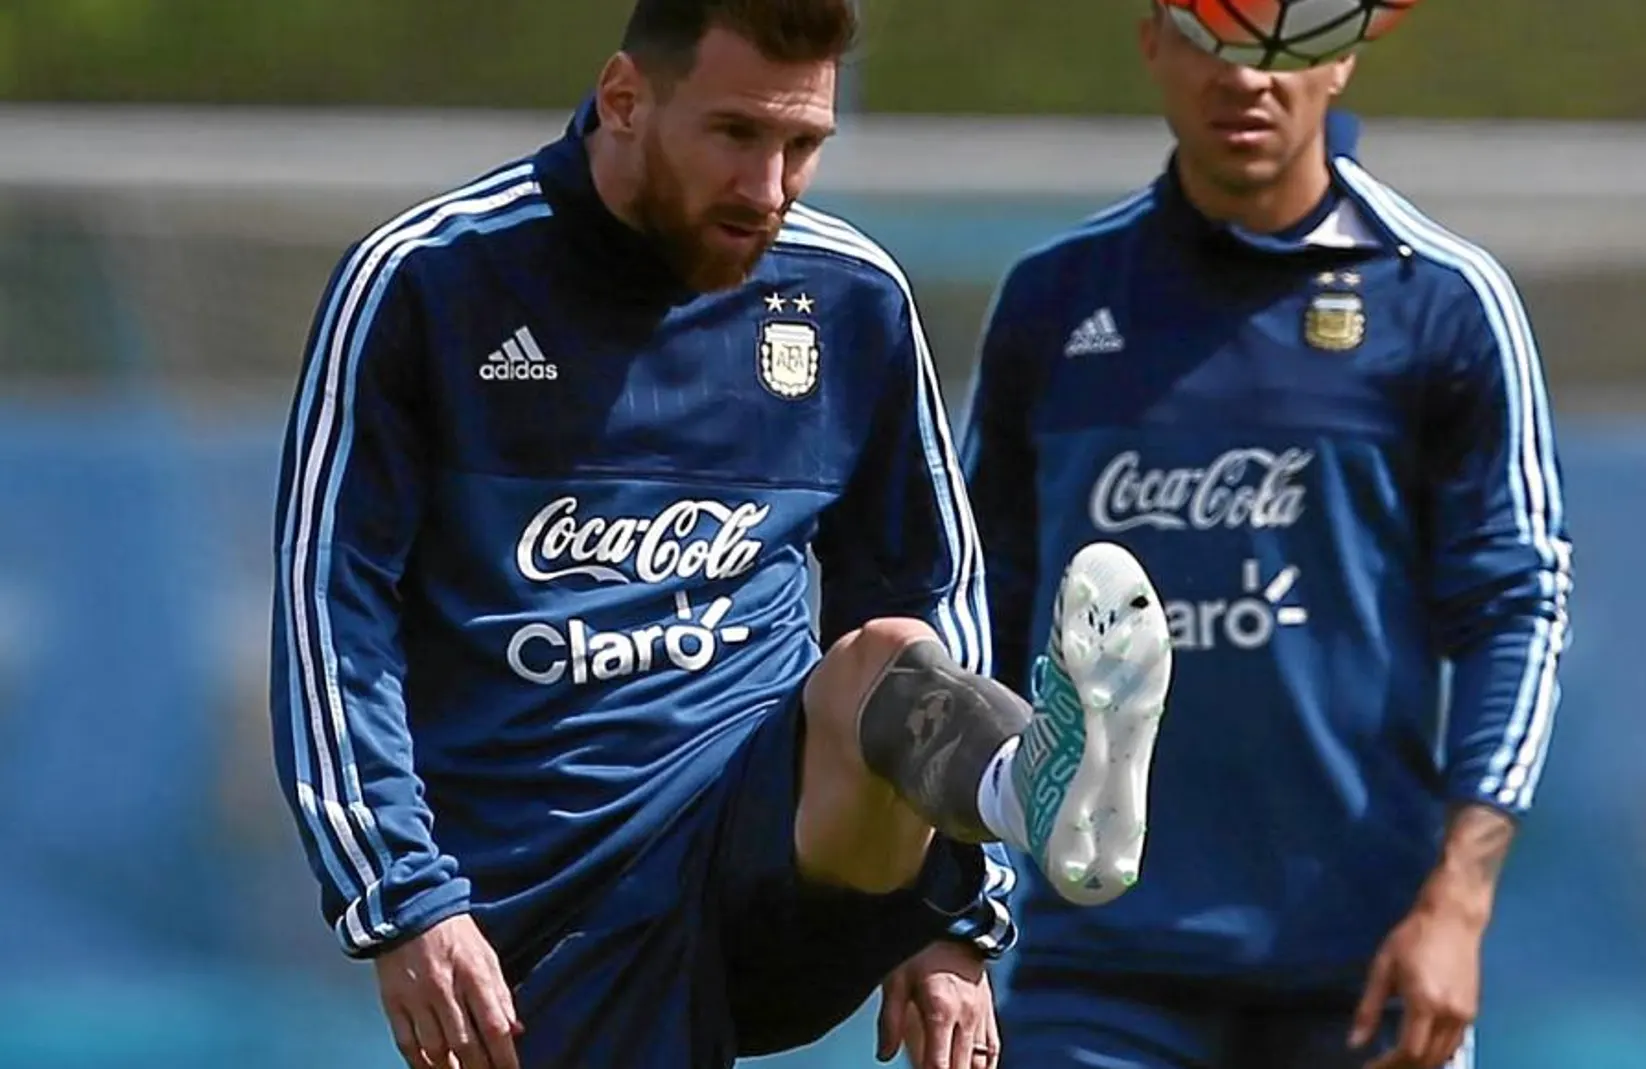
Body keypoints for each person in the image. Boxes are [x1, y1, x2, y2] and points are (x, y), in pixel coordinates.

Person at [266, 2, 1175, 1067]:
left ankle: (1017, 785)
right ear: (623, 100)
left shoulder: (850, 295)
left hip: (772, 846)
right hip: (544, 898)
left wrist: (954, 916)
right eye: (737, 134)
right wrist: (404, 897)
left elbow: (931, 581)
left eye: (803, 145)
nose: (769, 187)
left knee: (884, 655)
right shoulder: (427, 280)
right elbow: (333, 614)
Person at [960, 7, 1573, 1069]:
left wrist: (1458, 908)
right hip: (1094, 964)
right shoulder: (1054, 301)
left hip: (1361, 964)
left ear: (1341, 56)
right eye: (1211, 32)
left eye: (1283, 38)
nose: (1246, 76)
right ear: (1151, 40)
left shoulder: (1443, 300)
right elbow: (971, 606)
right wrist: (948, 904)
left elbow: (1514, 607)